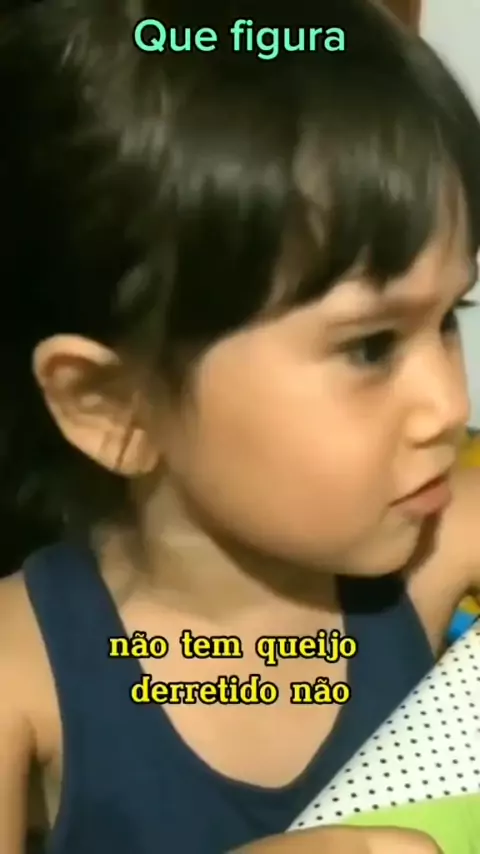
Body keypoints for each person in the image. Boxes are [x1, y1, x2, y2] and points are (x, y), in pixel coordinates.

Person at [0, 1, 479, 852]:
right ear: (113, 405)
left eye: (448, 318)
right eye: (370, 346)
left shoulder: (439, 538)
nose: (451, 404)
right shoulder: (19, 673)